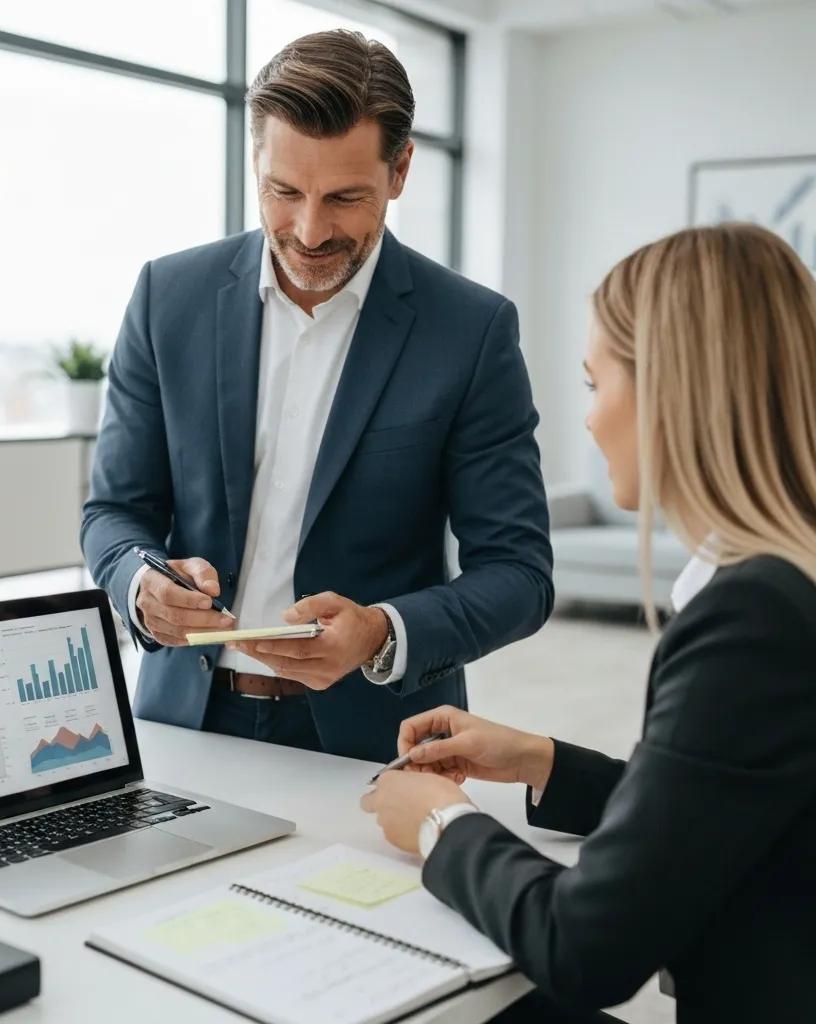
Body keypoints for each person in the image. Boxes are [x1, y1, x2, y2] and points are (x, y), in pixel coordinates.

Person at [361, 223, 816, 1021]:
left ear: (673, 392)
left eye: (594, 384)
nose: (589, 420)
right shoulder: (783, 582)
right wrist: (541, 761)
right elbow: (719, 811)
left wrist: (442, 827)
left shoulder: (755, 619)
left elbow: (586, 946)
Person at [81, 30, 553, 762]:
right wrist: (141, 580)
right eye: (284, 191)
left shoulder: (471, 330)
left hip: (377, 738)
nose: (308, 230)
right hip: (186, 721)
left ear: (399, 171)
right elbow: (114, 511)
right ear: (255, 165)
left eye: (344, 198)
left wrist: (383, 630)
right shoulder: (166, 298)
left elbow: (519, 574)